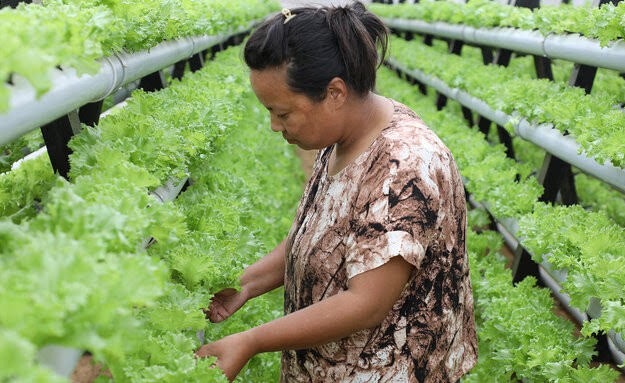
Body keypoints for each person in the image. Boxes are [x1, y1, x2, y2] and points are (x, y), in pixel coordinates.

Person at [196, 3, 477, 382]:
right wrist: (245, 285)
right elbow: (320, 238)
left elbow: (366, 303)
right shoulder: (345, 136)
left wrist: (250, 341)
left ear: (334, 93)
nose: (274, 126)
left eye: (282, 112)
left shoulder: (404, 165)